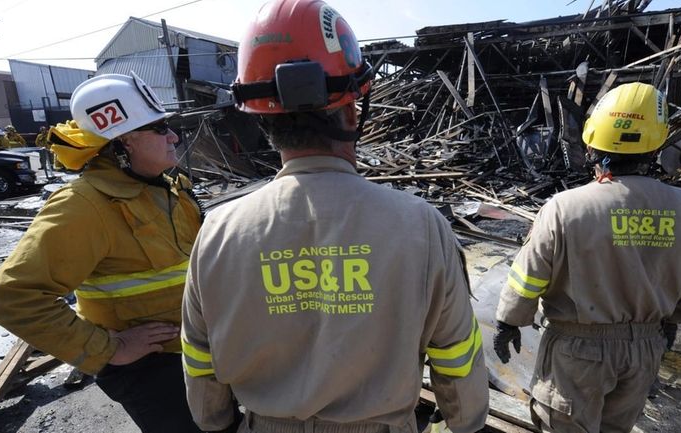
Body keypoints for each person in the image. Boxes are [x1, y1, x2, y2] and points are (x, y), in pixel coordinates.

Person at [181, 1, 489, 432]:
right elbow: (456, 353)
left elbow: (199, 355)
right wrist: (466, 423)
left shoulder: (217, 232)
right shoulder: (420, 225)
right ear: (350, 111)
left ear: (263, 121)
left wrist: (216, 421)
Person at [0, 72, 203, 433]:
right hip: (152, 369)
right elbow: (12, 297)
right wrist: (108, 349)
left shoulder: (169, 188)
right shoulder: (84, 205)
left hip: (195, 351)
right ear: (125, 141)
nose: (173, 136)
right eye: (160, 127)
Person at [493, 82, 681, 433]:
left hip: (577, 352)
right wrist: (671, 320)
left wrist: (508, 321)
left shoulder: (566, 208)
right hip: (645, 349)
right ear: (657, 142)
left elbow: (529, 276)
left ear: (594, 145)